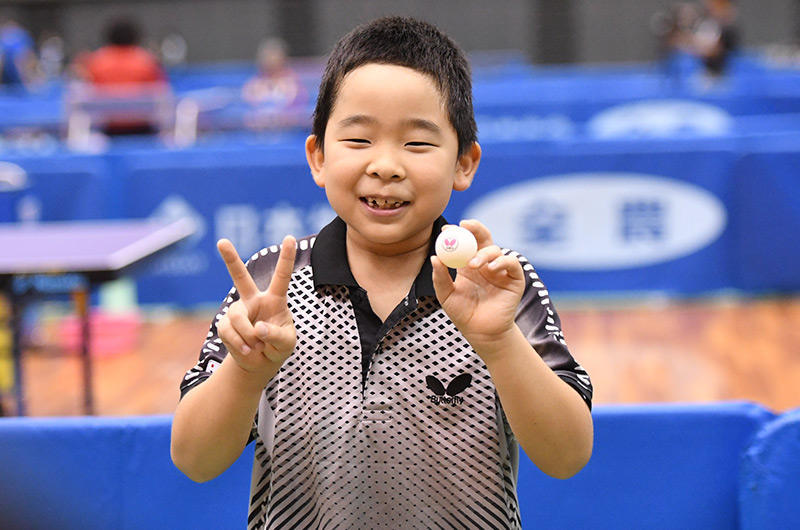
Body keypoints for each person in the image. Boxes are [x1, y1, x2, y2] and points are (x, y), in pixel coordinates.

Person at [171, 16, 593, 528]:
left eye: (417, 143)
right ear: (318, 157)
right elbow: (194, 461)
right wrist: (246, 371)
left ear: (464, 162)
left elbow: (567, 456)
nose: (386, 165)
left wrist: (500, 342)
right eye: (359, 139)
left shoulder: (498, 286)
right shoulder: (269, 284)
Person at [78, 17, 168, 136]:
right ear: (135, 37)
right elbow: (162, 94)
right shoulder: (148, 62)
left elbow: (85, 94)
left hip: (107, 130)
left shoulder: (95, 63)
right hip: (143, 129)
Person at [0, 17, 39, 88]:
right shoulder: (19, 37)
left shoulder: (20, 37)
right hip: (14, 82)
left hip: (17, 82)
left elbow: (27, 56)